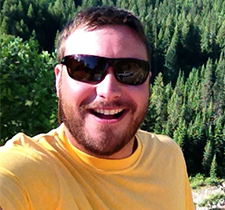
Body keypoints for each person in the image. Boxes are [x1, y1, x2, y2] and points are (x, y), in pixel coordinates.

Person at [0, 6, 195, 210]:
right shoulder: (26, 171)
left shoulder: (168, 157)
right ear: (58, 80)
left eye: (129, 71)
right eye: (85, 68)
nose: (108, 90)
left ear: (148, 82)